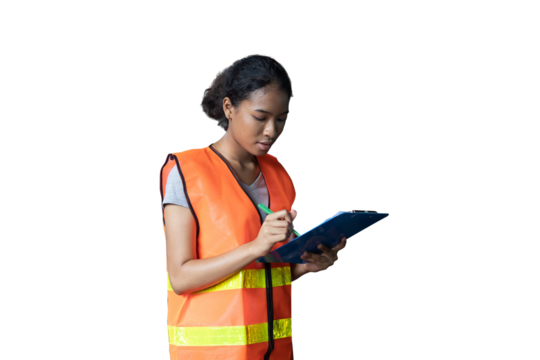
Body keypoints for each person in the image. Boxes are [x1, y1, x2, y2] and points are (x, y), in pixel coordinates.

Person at [162, 54, 347, 360]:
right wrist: (256, 246)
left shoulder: (279, 175)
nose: (271, 131)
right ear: (229, 108)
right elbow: (181, 277)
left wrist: (306, 267)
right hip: (211, 356)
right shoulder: (185, 170)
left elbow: (265, 273)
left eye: (281, 119)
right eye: (260, 117)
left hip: (275, 353)